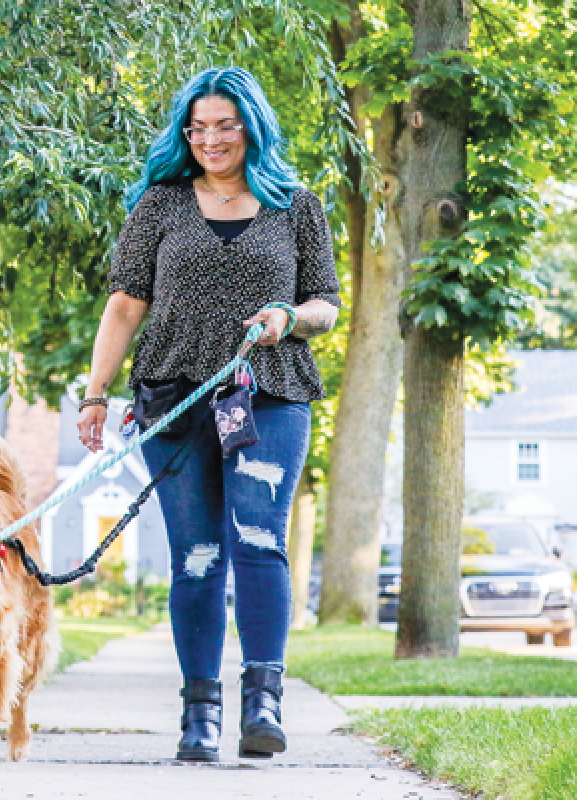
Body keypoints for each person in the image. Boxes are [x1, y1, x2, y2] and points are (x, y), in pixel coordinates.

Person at [76, 67, 340, 762]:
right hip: (174, 397)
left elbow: (326, 303)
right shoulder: (159, 206)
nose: (211, 139)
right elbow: (125, 303)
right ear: (184, 134)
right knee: (195, 558)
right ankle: (199, 716)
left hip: (270, 391)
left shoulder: (297, 205)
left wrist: (289, 315)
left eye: (225, 124)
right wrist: (96, 392)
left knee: (258, 539)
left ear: (252, 126)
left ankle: (263, 704)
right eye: (198, 127)